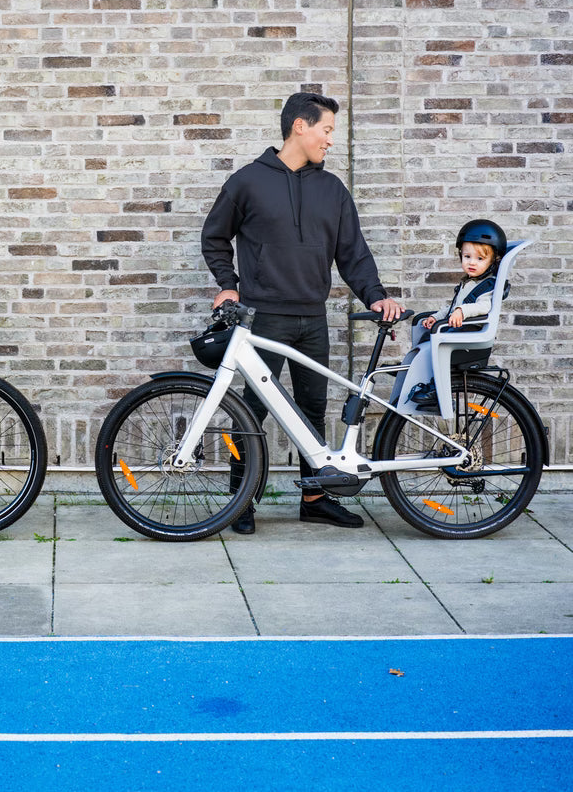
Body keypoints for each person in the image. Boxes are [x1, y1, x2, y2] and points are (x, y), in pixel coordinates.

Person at [201, 91, 404, 534]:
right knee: (251, 413)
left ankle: (315, 500)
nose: (330, 139)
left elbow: (353, 252)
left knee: (312, 409)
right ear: (300, 126)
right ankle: (241, 502)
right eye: (326, 130)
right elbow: (214, 237)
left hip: (313, 317)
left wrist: (375, 296)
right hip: (265, 317)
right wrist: (228, 285)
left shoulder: (332, 190)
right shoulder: (247, 182)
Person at [407, 219, 507, 410]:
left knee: (437, 345)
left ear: (493, 261)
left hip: (470, 335)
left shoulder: (488, 286)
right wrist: (436, 317)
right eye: (467, 256)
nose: (471, 262)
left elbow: (485, 306)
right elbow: (452, 307)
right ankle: (413, 370)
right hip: (460, 331)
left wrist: (463, 311)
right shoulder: (467, 283)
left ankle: (435, 390)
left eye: (480, 259)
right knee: (426, 336)